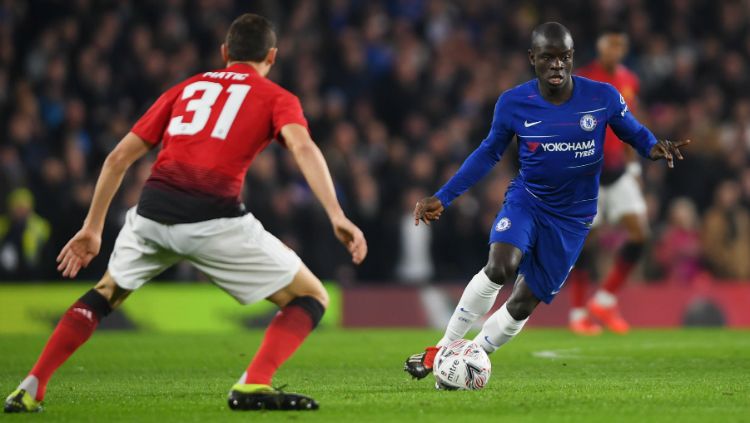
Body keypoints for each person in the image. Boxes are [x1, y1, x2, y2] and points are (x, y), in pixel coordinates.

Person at [5, 14, 367, 413]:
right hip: (214, 221)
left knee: (104, 294)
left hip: (151, 215)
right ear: (272, 56)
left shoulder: (186, 88)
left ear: (225, 53)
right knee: (311, 295)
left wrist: (92, 228)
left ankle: (30, 386)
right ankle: (254, 383)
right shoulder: (277, 97)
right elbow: (302, 148)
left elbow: (117, 159)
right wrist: (336, 213)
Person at [404, 22, 688, 383]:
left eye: (564, 57)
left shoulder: (602, 97)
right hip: (529, 201)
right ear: (532, 59)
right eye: (548, 58)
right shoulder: (513, 103)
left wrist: (653, 147)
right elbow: (487, 154)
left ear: (572, 59)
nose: (557, 65)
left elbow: (632, 130)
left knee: (522, 303)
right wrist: (442, 196)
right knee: (500, 265)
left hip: (573, 218)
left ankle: (473, 356)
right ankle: (442, 350)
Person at [566, 27, 649, 335]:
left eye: (620, 45)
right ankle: (577, 313)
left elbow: (631, 124)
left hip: (619, 173)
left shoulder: (629, 80)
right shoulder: (585, 80)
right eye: (609, 45)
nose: (615, 51)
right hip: (589, 174)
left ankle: (603, 299)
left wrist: (635, 170)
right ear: (600, 48)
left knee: (640, 234)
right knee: (586, 242)